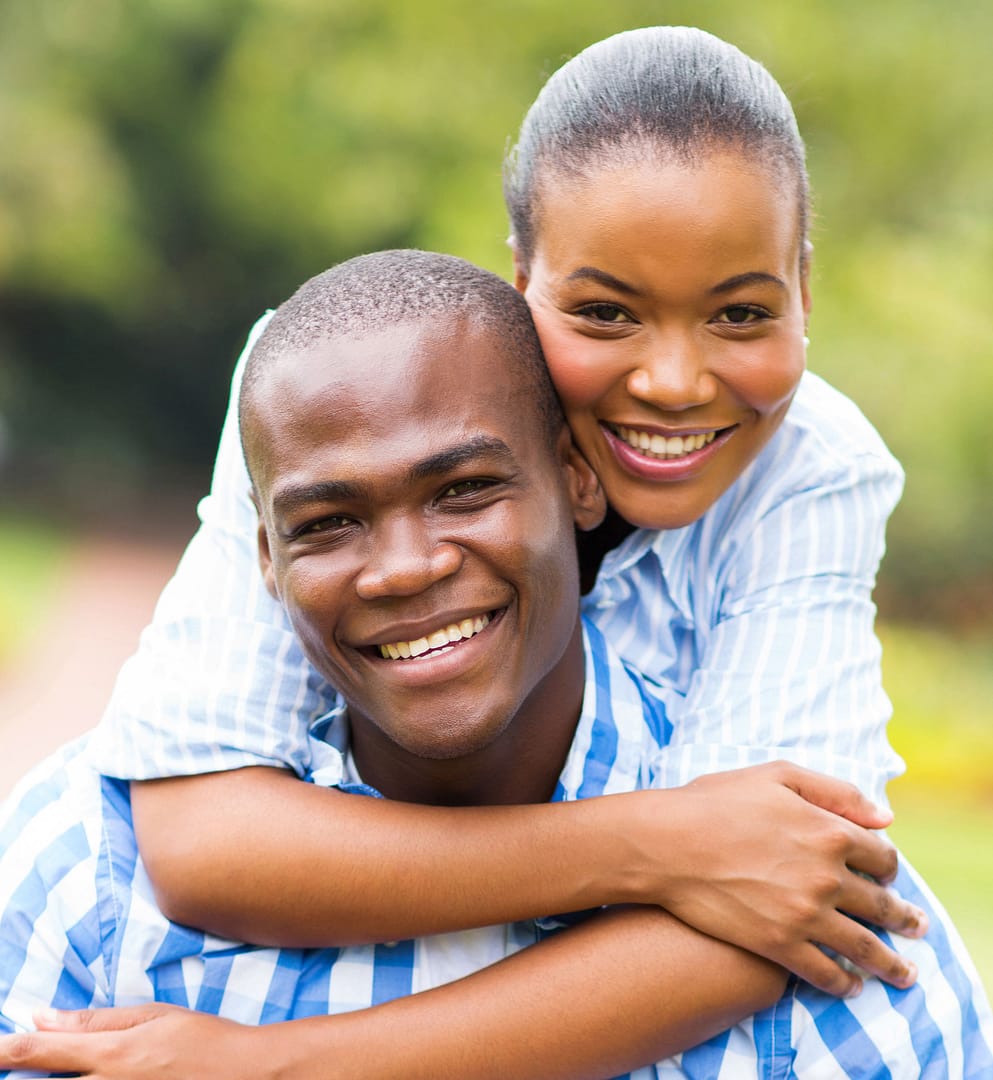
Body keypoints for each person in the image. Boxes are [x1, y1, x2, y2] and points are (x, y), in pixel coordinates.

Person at [1, 251, 990, 1080]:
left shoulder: (831, 930)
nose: (404, 568)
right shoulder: (83, 878)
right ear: (262, 557)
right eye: (329, 523)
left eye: (466, 490)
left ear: (577, 480)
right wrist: (660, 847)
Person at [78, 25, 921, 998]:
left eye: (741, 314)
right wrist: (662, 845)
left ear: (806, 293)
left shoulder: (812, 467)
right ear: (524, 287)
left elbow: (782, 909)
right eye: (605, 313)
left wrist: (274, 1067)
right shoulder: (324, 393)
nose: (676, 384)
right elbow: (206, 844)